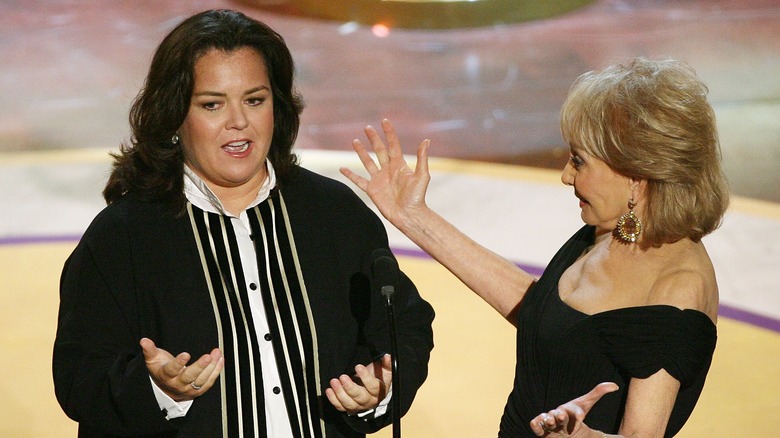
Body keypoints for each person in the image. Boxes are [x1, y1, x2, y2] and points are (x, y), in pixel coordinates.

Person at [53, 9, 434, 438]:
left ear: (278, 106)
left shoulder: (335, 213)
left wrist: (380, 389)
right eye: (212, 104)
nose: (239, 121)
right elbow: (78, 378)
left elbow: (404, 324)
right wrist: (162, 391)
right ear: (176, 115)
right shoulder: (123, 235)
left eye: (255, 100)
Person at [340, 57, 728, 437]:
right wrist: (413, 216)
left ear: (637, 175)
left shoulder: (676, 293)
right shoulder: (610, 230)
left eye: (579, 161)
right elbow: (545, 314)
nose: (565, 175)